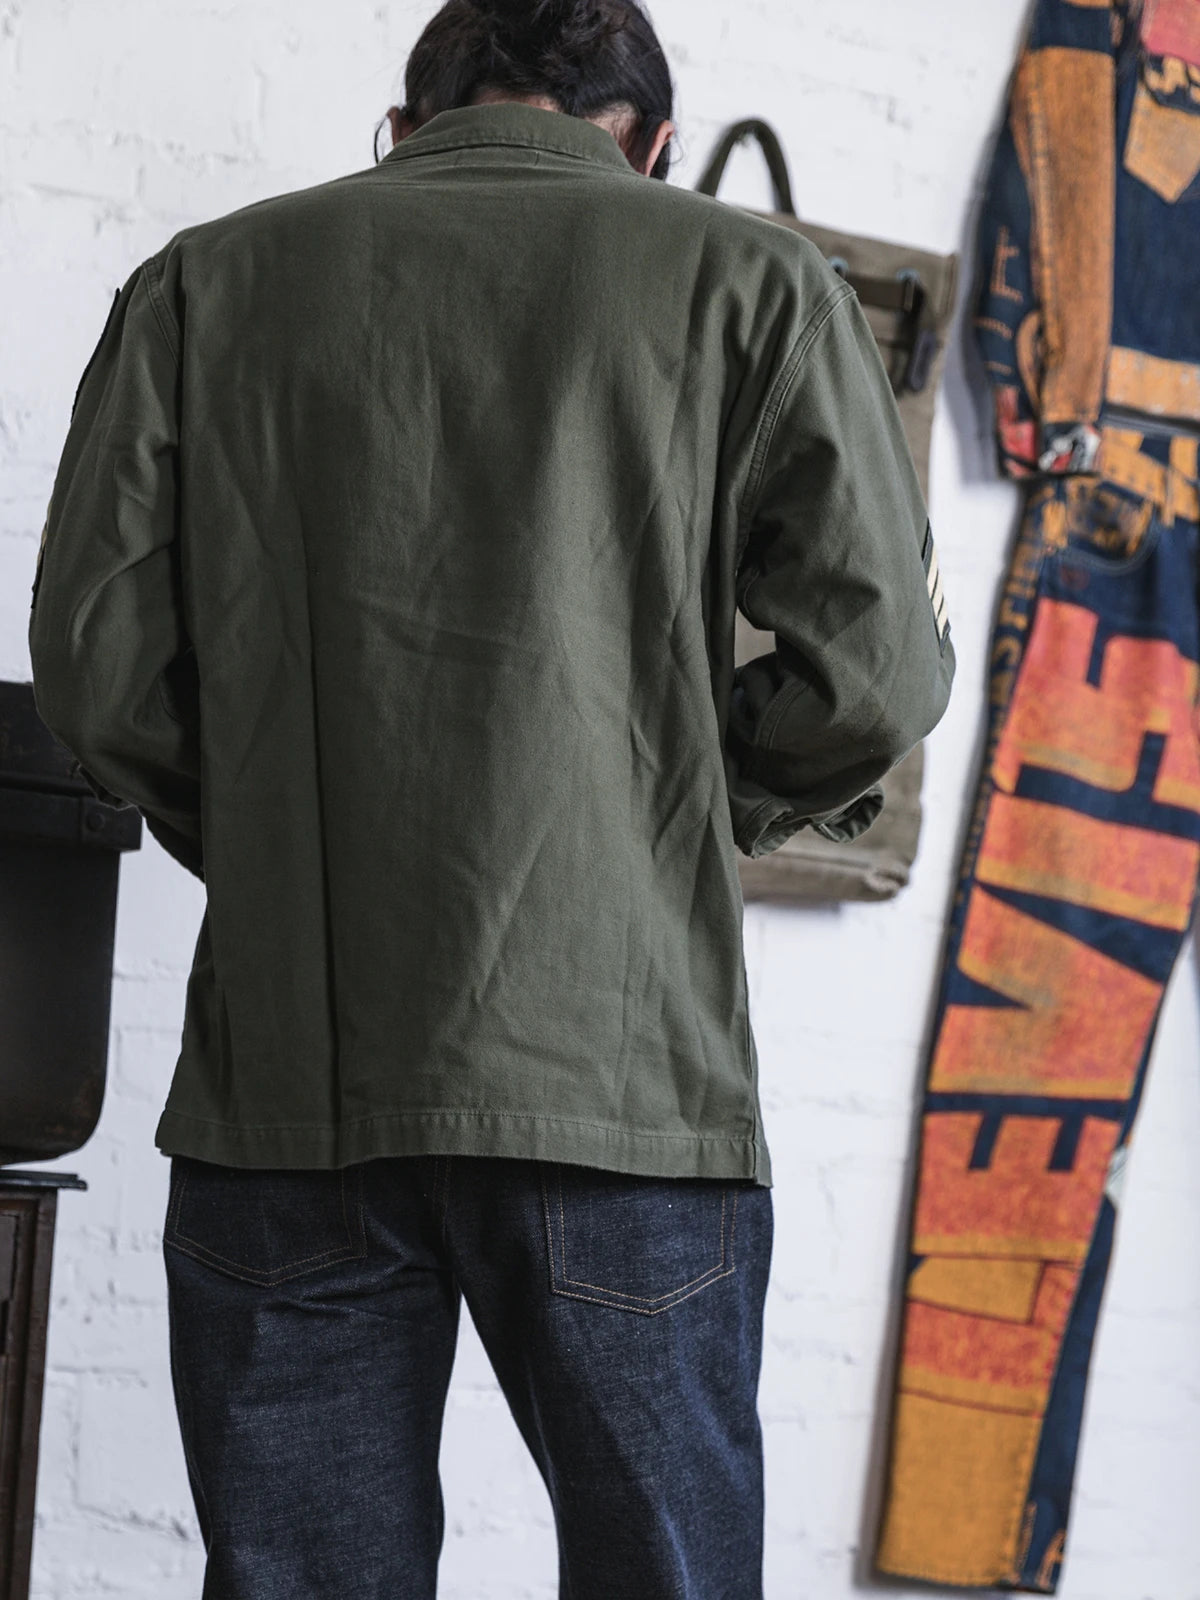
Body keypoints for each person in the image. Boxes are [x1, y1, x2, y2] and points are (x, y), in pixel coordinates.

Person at [28, 1, 954, 1595]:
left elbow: (96, 671)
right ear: (656, 145)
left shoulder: (205, 281)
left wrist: (282, 830)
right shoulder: (756, 281)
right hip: (622, 1083)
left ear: (406, 127)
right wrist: (676, 808)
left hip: (292, 1083)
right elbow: (873, 676)